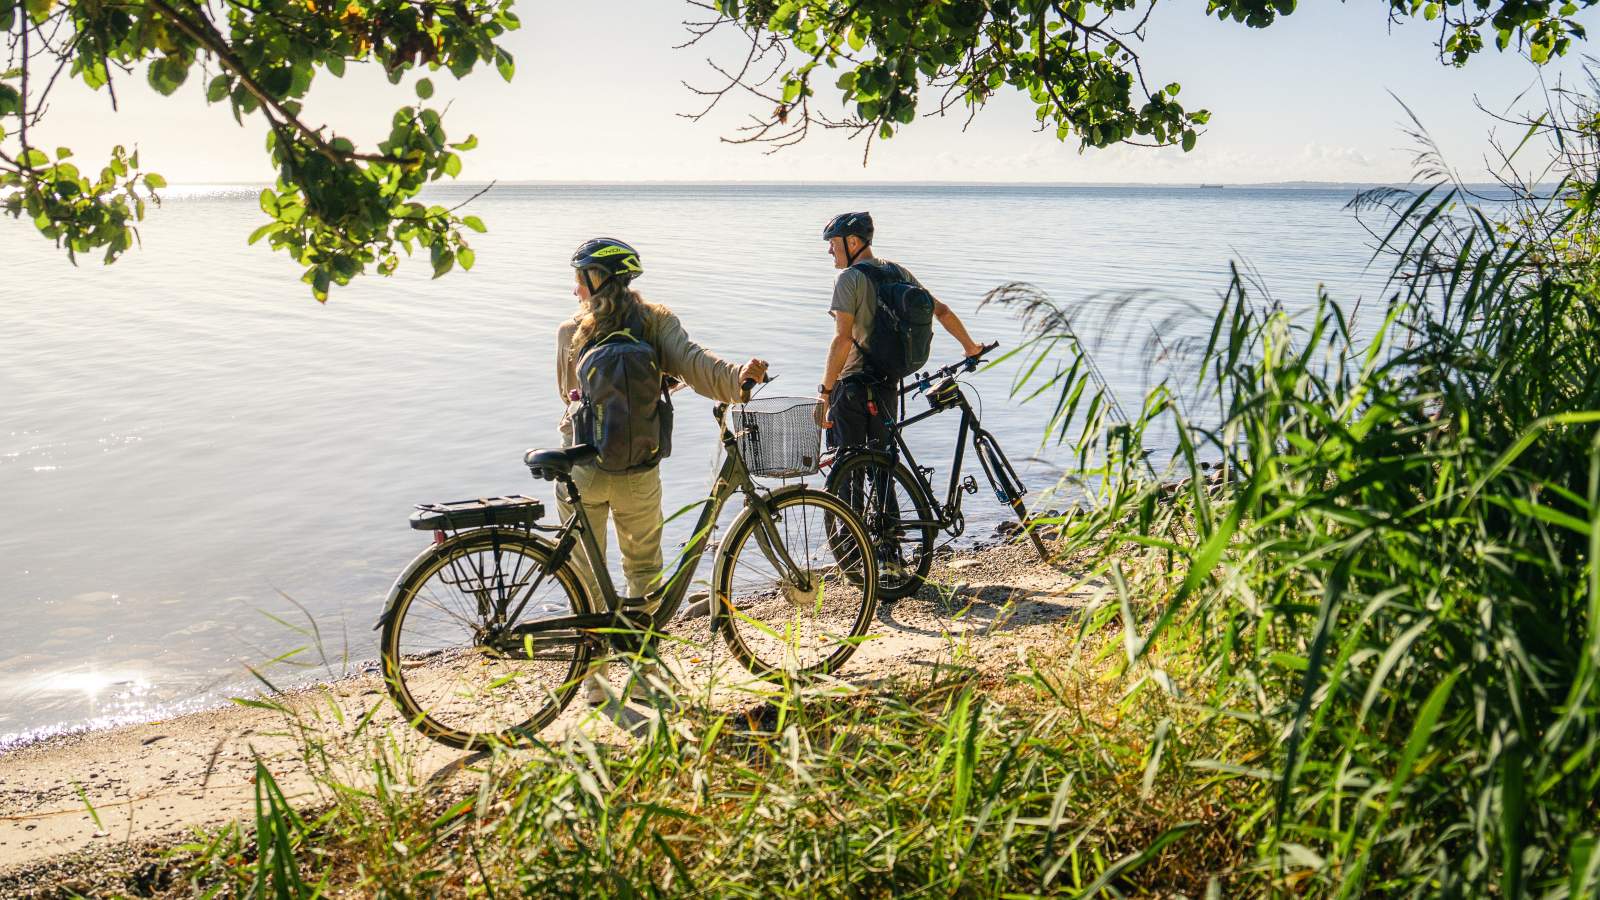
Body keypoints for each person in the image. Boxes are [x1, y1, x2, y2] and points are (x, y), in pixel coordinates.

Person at [556, 237, 766, 704]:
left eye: (578, 277)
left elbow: (568, 395)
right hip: (639, 469)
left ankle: (593, 683)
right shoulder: (656, 320)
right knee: (644, 573)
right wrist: (739, 380)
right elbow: (697, 365)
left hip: (582, 468)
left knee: (585, 578)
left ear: (595, 280)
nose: (574, 288)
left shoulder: (571, 330)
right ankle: (645, 673)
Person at [815, 211, 984, 446]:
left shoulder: (848, 279)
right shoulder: (898, 272)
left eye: (833, 243)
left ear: (852, 241)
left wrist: (824, 394)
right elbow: (942, 310)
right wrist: (970, 347)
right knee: (884, 467)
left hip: (852, 389)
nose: (829, 250)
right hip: (887, 383)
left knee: (847, 469)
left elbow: (842, 339)